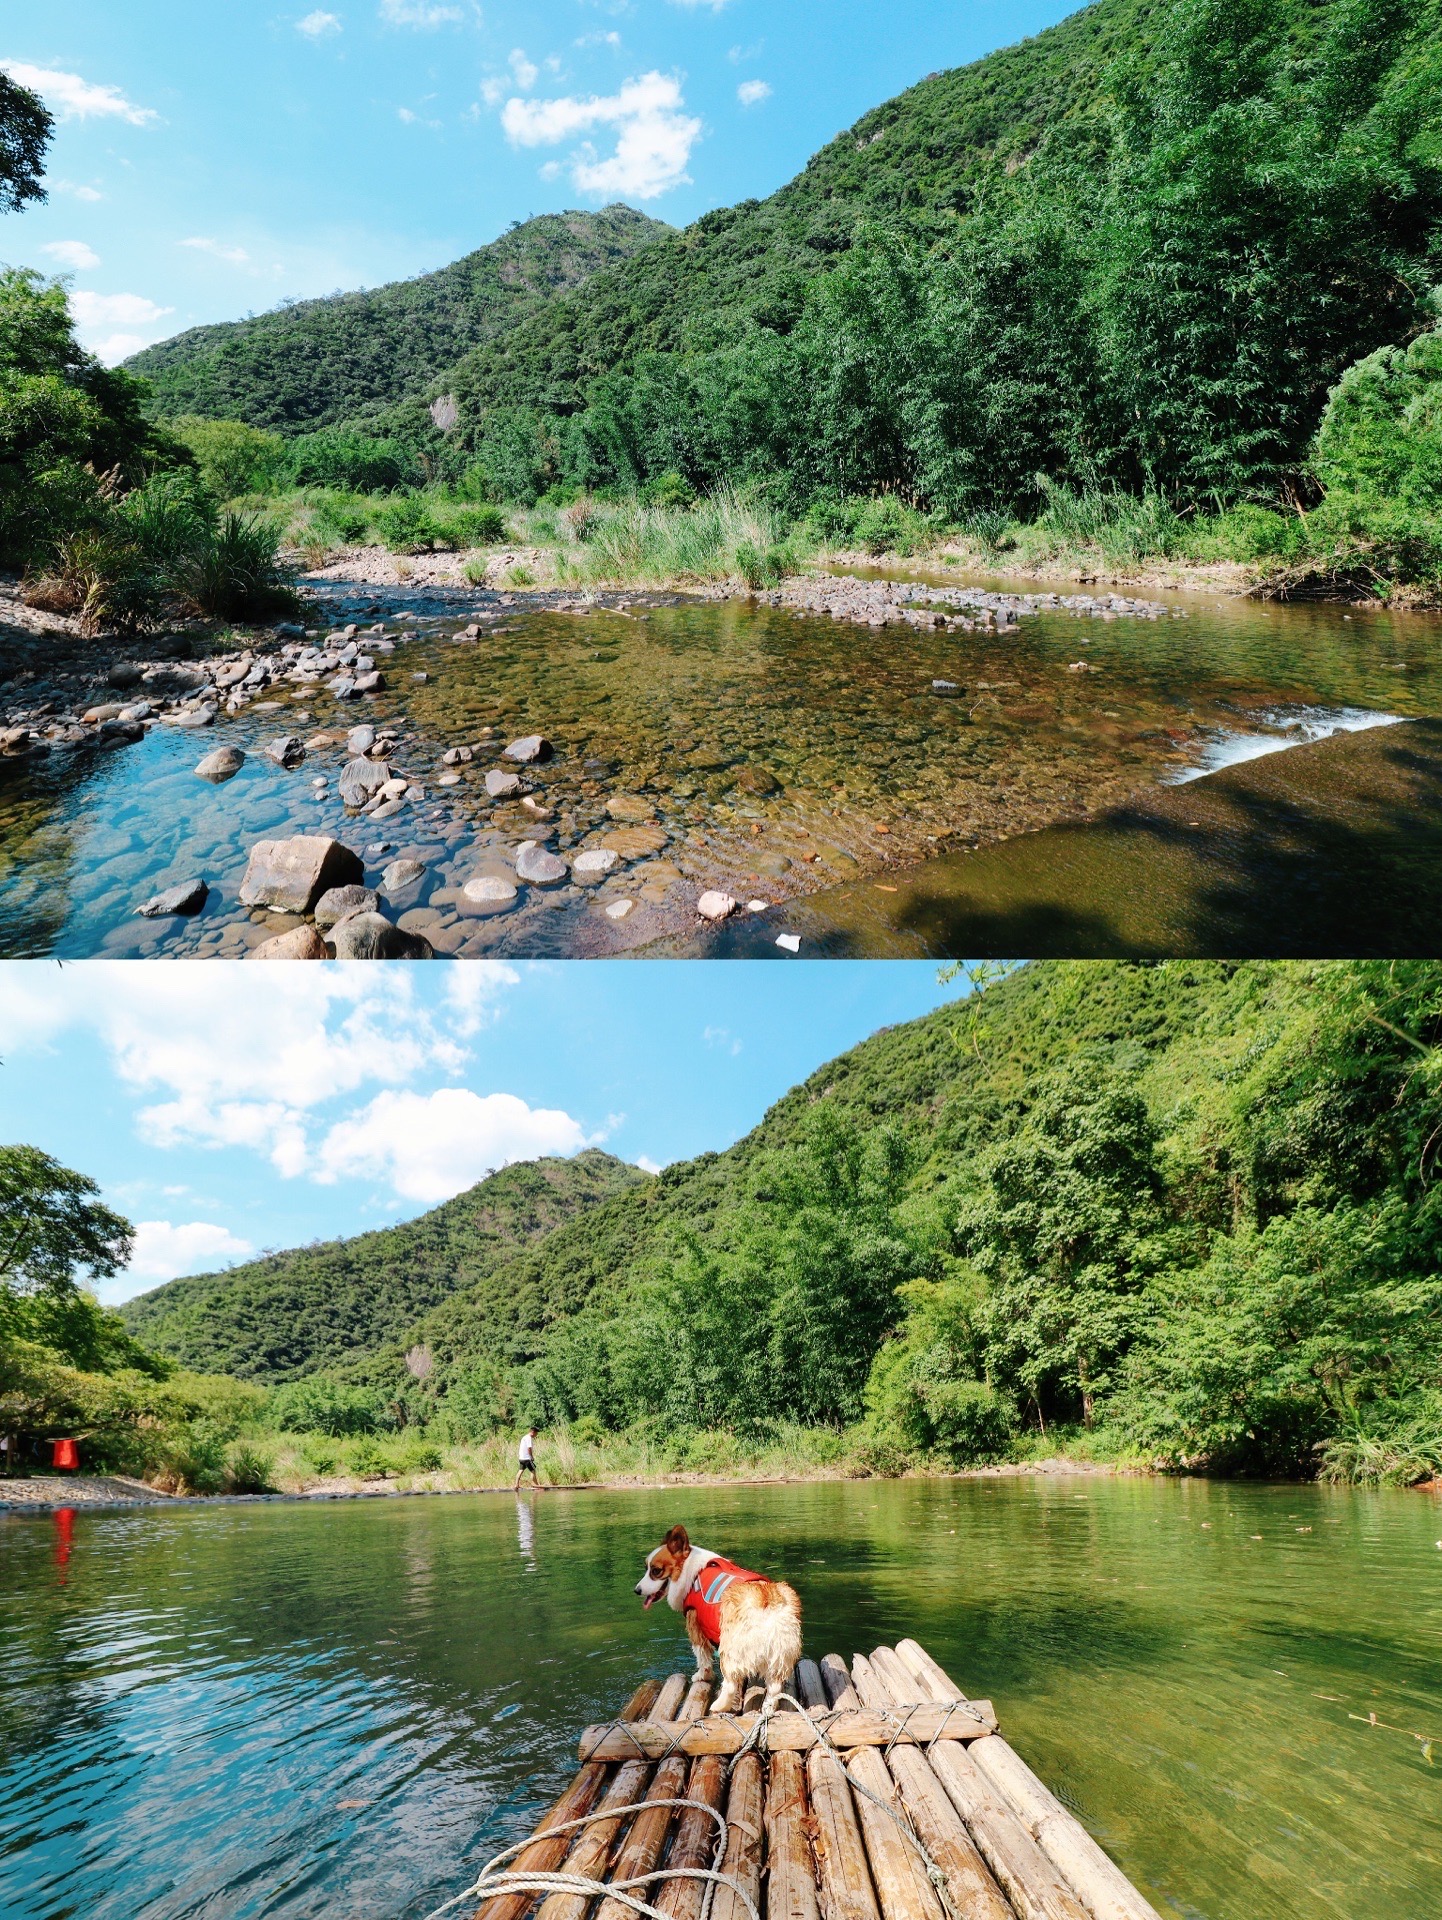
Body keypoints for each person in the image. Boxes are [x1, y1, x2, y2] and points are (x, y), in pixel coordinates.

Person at [514, 1426, 543, 1491]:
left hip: (521, 1458)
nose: (536, 1435)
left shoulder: (524, 1437)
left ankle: (516, 1485)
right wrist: (531, 1456)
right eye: (536, 1433)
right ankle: (536, 1486)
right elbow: (529, 1448)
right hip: (527, 1458)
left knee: (520, 1470)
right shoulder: (529, 1438)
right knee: (533, 1470)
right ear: (533, 1432)